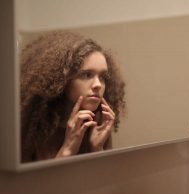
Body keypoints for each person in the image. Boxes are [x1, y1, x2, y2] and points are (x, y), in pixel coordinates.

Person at [21, 31, 125, 163]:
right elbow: (36, 183)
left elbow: (106, 182)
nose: (98, 85)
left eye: (102, 77)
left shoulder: (99, 124)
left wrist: (97, 148)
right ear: (62, 80)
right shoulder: (36, 129)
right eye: (87, 75)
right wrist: (68, 148)